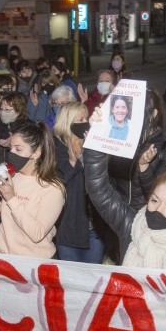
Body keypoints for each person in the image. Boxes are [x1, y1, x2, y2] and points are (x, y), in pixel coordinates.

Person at [85, 137, 166, 276]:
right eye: (155, 201)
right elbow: (99, 190)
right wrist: (97, 139)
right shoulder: (131, 225)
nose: (158, 210)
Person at [0, 122, 65, 258]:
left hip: (32, 262)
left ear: (36, 153)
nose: (11, 153)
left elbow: (37, 234)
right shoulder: (12, 176)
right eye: (10, 148)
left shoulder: (53, 188)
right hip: (1, 255)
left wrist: (11, 198)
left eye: (18, 149)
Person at [53, 102, 106, 263]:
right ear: (67, 122)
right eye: (80, 119)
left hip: (94, 228)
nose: (85, 122)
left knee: (93, 279)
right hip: (68, 229)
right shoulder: (56, 147)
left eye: (86, 118)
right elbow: (56, 184)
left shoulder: (93, 142)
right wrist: (71, 162)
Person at [0, 92, 31, 164]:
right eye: (1, 109)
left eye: (7, 110)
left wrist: (11, 145)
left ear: (18, 111)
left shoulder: (28, 128)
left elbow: (29, 154)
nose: (3, 112)